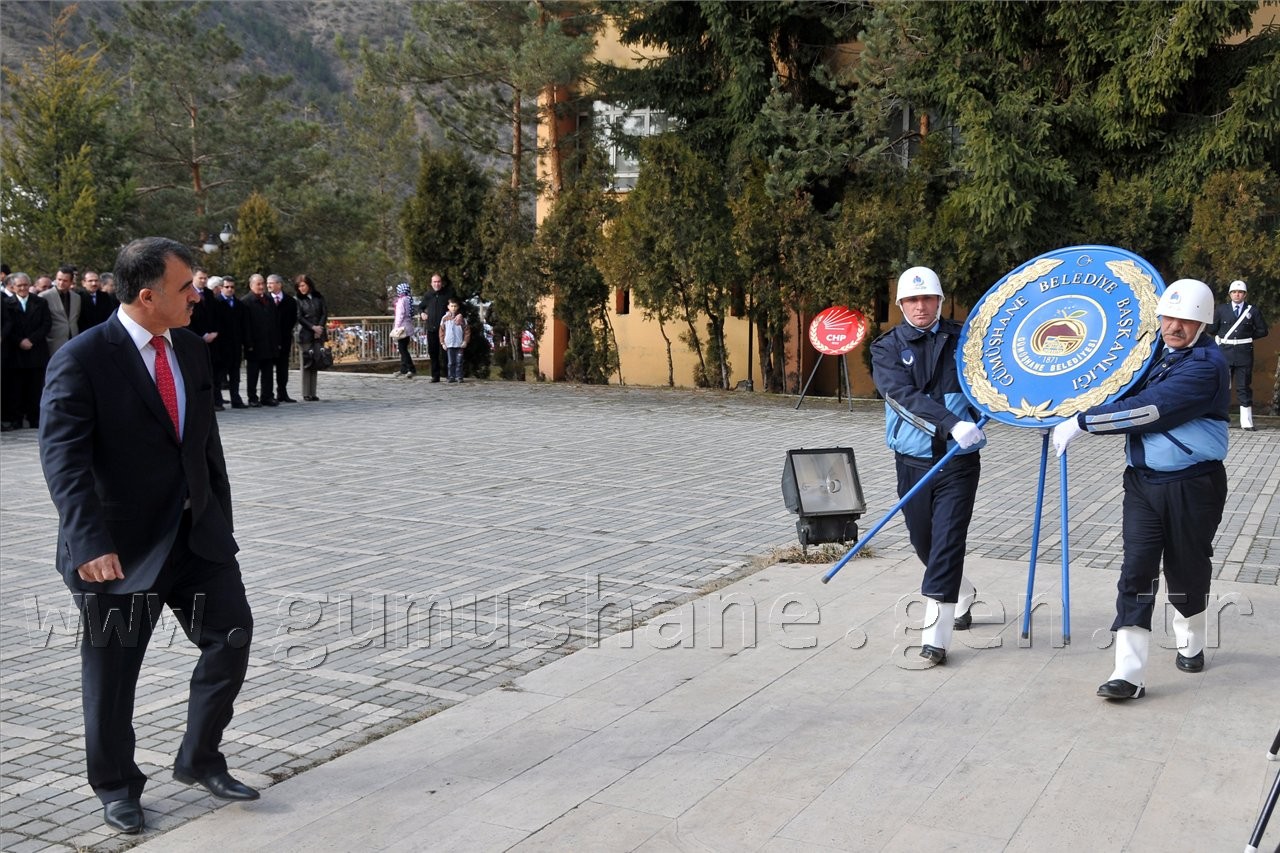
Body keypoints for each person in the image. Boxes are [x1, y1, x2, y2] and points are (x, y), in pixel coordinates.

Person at [38, 237, 257, 836]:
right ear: (147, 295)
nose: (198, 295)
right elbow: (64, 459)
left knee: (231, 638)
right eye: (187, 287)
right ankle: (116, 787)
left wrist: (218, 517)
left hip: (197, 541)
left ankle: (199, 758)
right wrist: (88, 544)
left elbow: (203, 443)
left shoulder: (186, 347)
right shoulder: (83, 358)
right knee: (113, 677)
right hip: (119, 552)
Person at [1052, 278, 1229, 701]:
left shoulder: (1207, 365)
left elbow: (1149, 410)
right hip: (1143, 484)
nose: (1174, 326)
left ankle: (1192, 635)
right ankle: (1127, 673)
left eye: (1185, 320)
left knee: (1187, 570)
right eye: (1168, 317)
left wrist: (1082, 423)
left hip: (1192, 484)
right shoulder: (1152, 357)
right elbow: (1110, 382)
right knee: (1137, 571)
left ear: (1202, 322)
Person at [870, 266, 985, 665]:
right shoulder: (886, 348)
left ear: (940, 300)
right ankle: (964, 592)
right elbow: (898, 395)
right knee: (925, 543)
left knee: (949, 541)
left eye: (928, 299)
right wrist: (951, 423)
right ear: (902, 304)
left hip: (959, 463)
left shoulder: (966, 340)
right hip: (912, 460)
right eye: (912, 300)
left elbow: (991, 383)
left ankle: (936, 637)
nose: (921, 306)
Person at [1210, 279, 1268, 430]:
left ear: (1245, 294)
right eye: (1234, 292)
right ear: (1230, 294)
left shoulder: (1252, 311)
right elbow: (1212, 329)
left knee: (1244, 387)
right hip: (1225, 353)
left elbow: (1263, 330)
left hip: (1244, 354)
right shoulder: (1222, 310)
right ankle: (1220, 419)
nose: (1237, 295)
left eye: (1240, 292)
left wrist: (1247, 337)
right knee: (1223, 386)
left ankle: (1247, 423)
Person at [1, 272, 53, 431]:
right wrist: (19, 340)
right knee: (16, 388)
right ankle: (16, 419)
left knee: (35, 387)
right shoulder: (7, 303)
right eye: (19, 285)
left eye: (25, 285)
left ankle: (35, 418)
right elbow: (7, 324)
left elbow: (46, 324)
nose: (22, 288)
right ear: (13, 287)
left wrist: (31, 340)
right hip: (15, 352)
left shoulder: (40, 302)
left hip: (36, 350)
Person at [241, 274, 280, 406]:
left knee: (268, 373)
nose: (262, 286)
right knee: (253, 373)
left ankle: (267, 396)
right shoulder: (246, 301)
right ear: (251, 285)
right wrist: (248, 343)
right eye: (258, 284)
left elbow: (274, 322)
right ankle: (252, 398)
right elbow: (245, 325)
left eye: (262, 283)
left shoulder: (268, 300)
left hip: (268, 343)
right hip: (254, 344)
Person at [213, 277, 246, 409]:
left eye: (232, 287)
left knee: (235, 375)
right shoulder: (216, 303)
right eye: (227, 287)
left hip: (235, 345)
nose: (230, 289)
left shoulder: (239, 304)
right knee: (219, 375)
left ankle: (236, 399)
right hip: (221, 345)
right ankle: (218, 400)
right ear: (221, 288)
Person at [294, 274, 327, 401]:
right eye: (299, 286)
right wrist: (312, 327)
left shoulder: (318, 296)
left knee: (315, 361)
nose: (301, 288)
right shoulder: (297, 299)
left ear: (309, 285)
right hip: (305, 333)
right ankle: (306, 392)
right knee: (306, 362)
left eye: (303, 285)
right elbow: (299, 317)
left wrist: (320, 327)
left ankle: (313, 392)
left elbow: (324, 312)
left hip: (318, 333)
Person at [266, 274, 298, 402]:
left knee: (283, 367)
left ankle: (282, 392)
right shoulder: (265, 299)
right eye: (267, 283)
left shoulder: (290, 301)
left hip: (284, 338)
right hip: (268, 340)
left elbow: (293, 319)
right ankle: (268, 394)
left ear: (279, 284)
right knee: (268, 368)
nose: (268, 285)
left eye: (271, 283)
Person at [417, 272, 454, 382]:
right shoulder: (428, 295)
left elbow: (456, 306)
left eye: (438, 282)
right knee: (433, 353)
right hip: (431, 328)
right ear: (431, 283)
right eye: (435, 282)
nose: (437, 284)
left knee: (446, 353)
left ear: (441, 283)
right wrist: (422, 313)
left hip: (444, 329)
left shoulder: (448, 294)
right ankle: (435, 375)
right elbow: (420, 307)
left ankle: (449, 375)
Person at [41, 264, 82, 355]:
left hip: (73, 341)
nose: (61, 283)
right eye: (59, 280)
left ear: (71, 282)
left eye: (65, 281)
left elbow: (76, 317)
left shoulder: (77, 297)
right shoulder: (44, 296)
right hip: (53, 342)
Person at [440, 296, 470, 383]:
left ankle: (459, 376)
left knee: (459, 361)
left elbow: (467, 331)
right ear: (448, 307)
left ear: (458, 307)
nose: (453, 308)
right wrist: (442, 343)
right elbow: (441, 331)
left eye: (455, 306)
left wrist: (465, 341)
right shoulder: (444, 318)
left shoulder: (462, 319)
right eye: (451, 306)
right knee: (450, 362)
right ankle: (451, 376)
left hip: (459, 344)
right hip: (449, 344)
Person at [392, 282, 417, 378]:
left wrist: (396, 327)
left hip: (402, 328)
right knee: (404, 348)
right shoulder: (408, 299)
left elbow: (400, 315)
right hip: (408, 326)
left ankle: (411, 368)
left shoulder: (401, 301)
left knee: (402, 349)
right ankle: (403, 369)